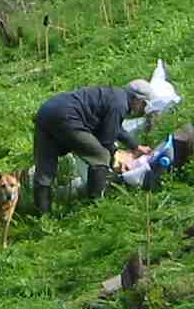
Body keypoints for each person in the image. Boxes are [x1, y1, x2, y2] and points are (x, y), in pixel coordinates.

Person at [31, 80, 155, 215]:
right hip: (67, 117)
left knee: (44, 170)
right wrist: (117, 157)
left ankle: (42, 216)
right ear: (137, 100)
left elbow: (114, 128)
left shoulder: (115, 96)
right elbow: (106, 141)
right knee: (101, 156)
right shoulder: (120, 105)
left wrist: (135, 146)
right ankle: (95, 206)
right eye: (144, 104)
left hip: (46, 111)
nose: (142, 109)